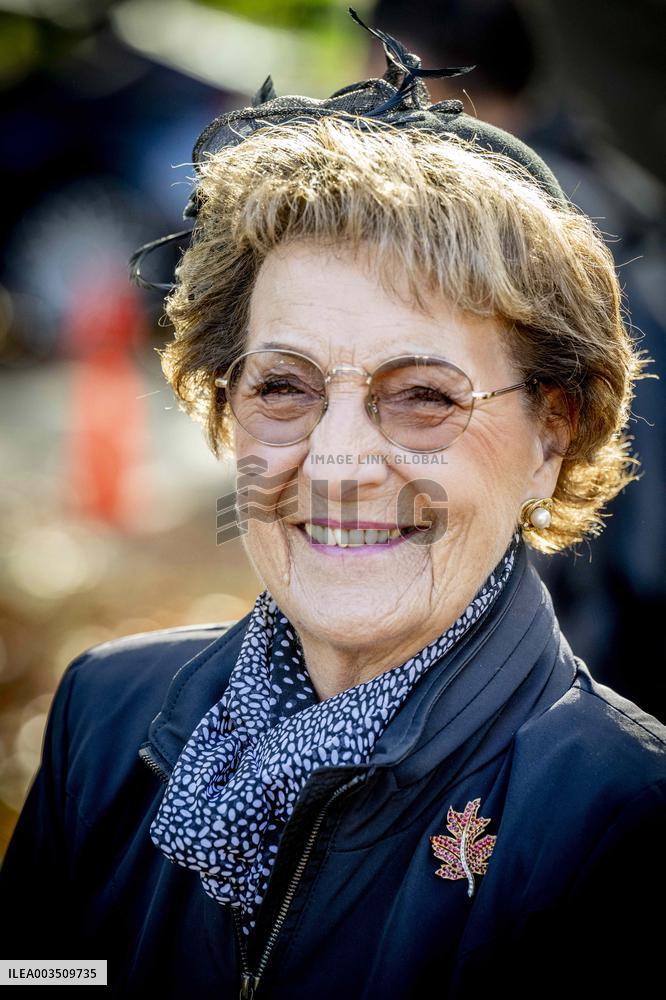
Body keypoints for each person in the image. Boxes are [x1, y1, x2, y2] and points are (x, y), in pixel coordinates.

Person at [1, 10, 664, 998]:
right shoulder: (106, 712)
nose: (339, 461)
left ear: (552, 434)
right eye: (284, 386)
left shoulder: (624, 816)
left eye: (424, 394)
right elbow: (45, 974)